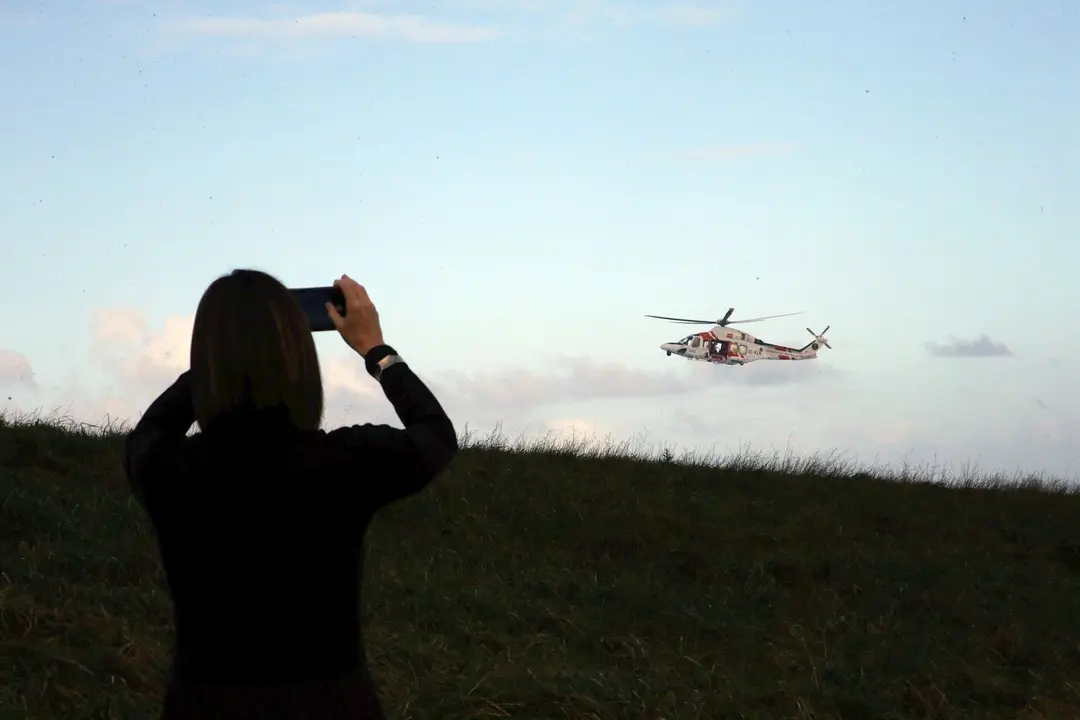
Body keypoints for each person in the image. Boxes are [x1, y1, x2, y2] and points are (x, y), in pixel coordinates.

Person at [123, 269, 458, 719]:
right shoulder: (344, 462)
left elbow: (152, 429)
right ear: (299, 358)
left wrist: (225, 354)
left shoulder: (165, 468)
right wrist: (376, 351)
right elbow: (434, 435)